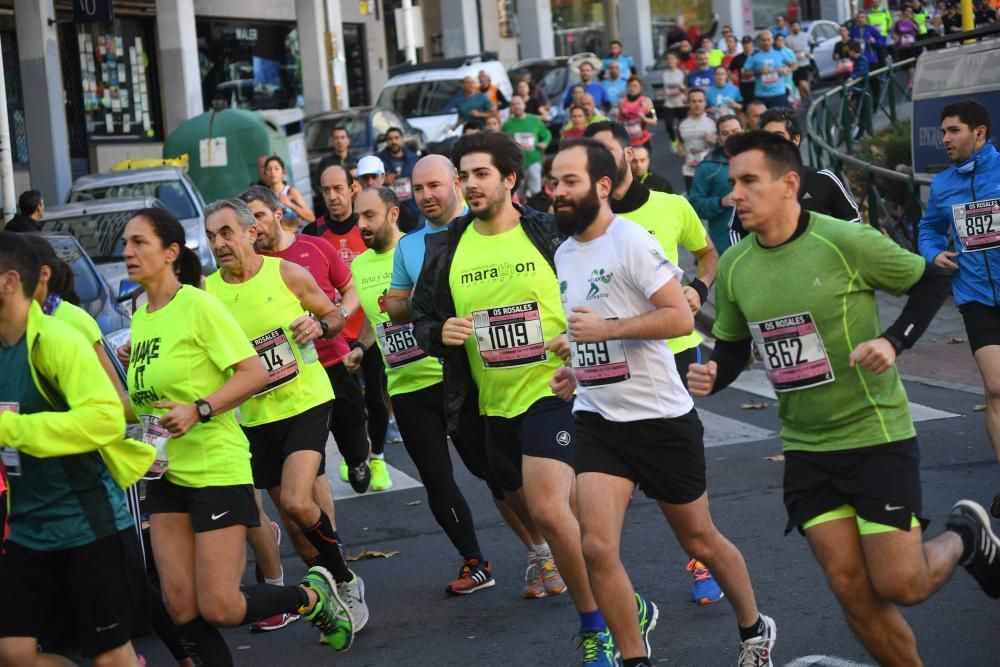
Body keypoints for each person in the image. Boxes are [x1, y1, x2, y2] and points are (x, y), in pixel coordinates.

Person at [690, 129, 1000, 665]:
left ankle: (965, 538)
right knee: (851, 589)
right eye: (732, 181)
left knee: (902, 583)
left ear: (788, 183)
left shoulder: (843, 240)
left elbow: (930, 282)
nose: (731, 195)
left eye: (747, 181)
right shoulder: (738, 266)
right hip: (807, 448)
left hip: (873, 434)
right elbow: (736, 346)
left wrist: (892, 340)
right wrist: (714, 375)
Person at [549, 136, 777, 667]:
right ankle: (635, 657)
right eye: (554, 182)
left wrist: (608, 329)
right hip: (599, 418)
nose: (557, 192)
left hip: (661, 419)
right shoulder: (563, 251)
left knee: (700, 541)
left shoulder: (630, 241)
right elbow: (593, 329)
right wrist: (574, 367)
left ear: (602, 186)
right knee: (596, 547)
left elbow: (677, 318)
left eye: (569, 182)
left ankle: (753, 628)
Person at [411, 132, 610, 664]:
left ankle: (596, 624)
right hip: (489, 404)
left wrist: (578, 335)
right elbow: (422, 315)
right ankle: (622, 602)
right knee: (567, 518)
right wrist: (439, 332)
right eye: (464, 176)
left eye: (480, 174)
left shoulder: (547, 233)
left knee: (548, 509)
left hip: (553, 391)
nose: (470, 184)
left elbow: (596, 291)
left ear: (509, 179)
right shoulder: (447, 246)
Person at [119, 210, 352, 661]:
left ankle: (311, 597)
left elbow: (252, 372)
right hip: (164, 471)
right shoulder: (142, 317)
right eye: (126, 243)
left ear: (169, 253)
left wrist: (200, 409)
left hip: (214, 465)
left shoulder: (200, 303)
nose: (127, 251)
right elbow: (144, 401)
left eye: (139, 242)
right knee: (180, 605)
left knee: (222, 606)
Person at [382, 155, 553, 595]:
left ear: (456, 184)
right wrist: (431, 308)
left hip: (533, 375)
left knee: (540, 474)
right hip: (461, 377)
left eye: (435, 186)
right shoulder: (412, 246)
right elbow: (403, 308)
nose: (426, 196)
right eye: (418, 190)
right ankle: (541, 554)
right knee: (495, 476)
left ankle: (562, 548)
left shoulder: (499, 225)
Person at [202, 198, 370, 644]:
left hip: (306, 399)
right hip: (256, 415)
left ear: (249, 233)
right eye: (211, 236)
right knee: (295, 530)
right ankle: (330, 589)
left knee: (298, 500)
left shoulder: (287, 274)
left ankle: (347, 582)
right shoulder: (207, 294)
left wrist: (320, 327)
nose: (218, 243)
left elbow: (334, 314)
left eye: (225, 233)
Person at [585, 121, 725, 605]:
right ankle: (614, 585)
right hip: (612, 356)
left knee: (681, 461)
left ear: (627, 154)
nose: (600, 160)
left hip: (675, 346)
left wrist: (698, 288)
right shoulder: (588, 222)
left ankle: (700, 555)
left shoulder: (671, 206)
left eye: (607, 150)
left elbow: (708, 254)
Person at [0, 231, 149, 667]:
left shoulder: (57, 341)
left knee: (110, 658)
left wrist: (13, 428)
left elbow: (104, 417)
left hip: (87, 526)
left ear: (9, 281)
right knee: (13, 654)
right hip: (28, 528)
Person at [349, 185, 501, 595]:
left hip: (448, 377)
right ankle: (474, 561)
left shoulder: (422, 250)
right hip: (406, 388)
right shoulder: (360, 267)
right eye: (357, 216)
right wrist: (360, 349)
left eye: (368, 216)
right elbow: (374, 315)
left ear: (393, 214)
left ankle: (544, 541)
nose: (360, 225)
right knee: (437, 479)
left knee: (491, 470)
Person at [242, 184, 371, 498]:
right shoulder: (249, 265)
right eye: (248, 221)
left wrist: (330, 319)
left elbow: (352, 290)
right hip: (288, 376)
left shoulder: (315, 247)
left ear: (278, 213)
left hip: (331, 358)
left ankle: (357, 460)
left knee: (352, 433)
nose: (254, 226)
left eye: (259, 215)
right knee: (309, 459)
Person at [917, 100, 1000, 516]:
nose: (945, 139)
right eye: (944, 130)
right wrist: (934, 253)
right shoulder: (944, 185)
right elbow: (928, 228)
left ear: (979, 133)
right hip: (977, 296)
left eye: (953, 131)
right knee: (997, 387)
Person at [304, 165, 394, 489]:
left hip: (369, 327)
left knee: (375, 394)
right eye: (326, 190)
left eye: (338, 188)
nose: (333, 196)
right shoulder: (312, 232)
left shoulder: (368, 226)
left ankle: (379, 458)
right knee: (348, 404)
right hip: (332, 336)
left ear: (352, 188)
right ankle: (354, 453)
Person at [729, 107, 861, 244]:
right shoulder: (750, 185)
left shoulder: (823, 179)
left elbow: (852, 218)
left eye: (778, 136)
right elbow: (736, 231)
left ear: (795, 139)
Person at [689, 114, 744, 254]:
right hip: (727, 243)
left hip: (760, 237)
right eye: (725, 133)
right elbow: (696, 204)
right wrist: (721, 202)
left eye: (736, 131)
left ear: (744, 132)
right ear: (718, 138)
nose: (731, 137)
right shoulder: (707, 167)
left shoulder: (760, 159)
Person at [502, 95, 552, 198]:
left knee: (535, 189)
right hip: (517, 164)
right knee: (519, 193)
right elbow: (503, 142)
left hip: (534, 160)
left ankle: (538, 209)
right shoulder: (507, 125)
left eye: (518, 103)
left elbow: (547, 134)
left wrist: (544, 143)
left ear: (524, 105)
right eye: (513, 104)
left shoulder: (534, 120)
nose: (516, 106)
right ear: (510, 108)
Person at [357, 155, 417, 234]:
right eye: (365, 177)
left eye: (374, 177)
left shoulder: (400, 210)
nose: (370, 182)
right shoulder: (353, 212)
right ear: (358, 180)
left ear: (383, 177)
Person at [377, 126, 421, 225]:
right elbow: (372, 183)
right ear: (386, 141)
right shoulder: (379, 160)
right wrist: (383, 180)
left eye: (396, 138)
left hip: (412, 209)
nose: (394, 141)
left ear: (402, 139)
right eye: (390, 139)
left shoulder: (414, 158)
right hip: (389, 208)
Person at [676, 89, 717, 192]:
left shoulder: (713, 121)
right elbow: (680, 145)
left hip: (711, 171)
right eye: (693, 101)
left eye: (700, 101)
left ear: (705, 103)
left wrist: (716, 140)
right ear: (688, 103)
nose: (697, 104)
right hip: (690, 172)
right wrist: (679, 150)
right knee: (694, 205)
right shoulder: (682, 124)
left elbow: (725, 144)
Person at [743, 31, 796, 108]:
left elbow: (794, 65)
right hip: (761, 95)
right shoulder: (754, 55)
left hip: (778, 93)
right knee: (763, 119)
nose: (766, 42)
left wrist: (787, 70)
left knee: (778, 119)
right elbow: (744, 75)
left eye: (768, 39)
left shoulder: (779, 52)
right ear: (760, 41)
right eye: (764, 40)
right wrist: (758, 72)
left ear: (772, 40)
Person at [262, 155, 315, 232]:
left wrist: (290, 204)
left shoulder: (291, 191)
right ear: (265, 173)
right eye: (269, 169)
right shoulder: (264, 196)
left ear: (283, 172)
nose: (273, 172)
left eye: (276, 169)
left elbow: (311, 218)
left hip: (293, 238)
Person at [617, 76, 656, 152]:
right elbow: (619, 121)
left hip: (643, 141)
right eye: (630, 86)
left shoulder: (647, 101)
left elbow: (654, 120)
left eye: (635, 86)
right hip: (627, 142)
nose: (632, 88)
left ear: (640, 87)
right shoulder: (622, 102)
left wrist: (643, 118)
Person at [660, 51, 689, 151]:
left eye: (672, 58)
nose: (669, 61)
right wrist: (663, 93)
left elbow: (686, 87)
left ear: (677, 61)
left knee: (682, 126)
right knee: (668, 124)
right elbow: (665, 87)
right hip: (669, 103)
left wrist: (685, 93)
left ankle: (682, 143)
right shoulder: (664, 74)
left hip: (681, 103)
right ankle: (673, 141)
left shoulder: (681, 73)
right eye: (668, 59)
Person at [786, 20, 812, 105]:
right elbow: (786, 51)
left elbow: (812, 45)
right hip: (794, 64)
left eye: (797, 26)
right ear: (791, 27)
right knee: (799, 87)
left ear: (799, 27)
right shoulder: (788, 39)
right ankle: (806, 103)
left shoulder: (806, 36)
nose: (795, 27)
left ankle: (810, 98)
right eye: (793, 26)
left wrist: (808, 53)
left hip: (804, 63)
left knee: (803, 83)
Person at [729, 37, 756, 107]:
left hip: (757, 86)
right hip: (744, 87)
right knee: (746, 106)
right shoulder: (738, 58)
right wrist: (733, 77)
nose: (746, 45)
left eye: (748, 43)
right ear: (742, 45)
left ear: (752, 44)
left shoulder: (757, 55)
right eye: (744, 43)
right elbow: (729, 70)